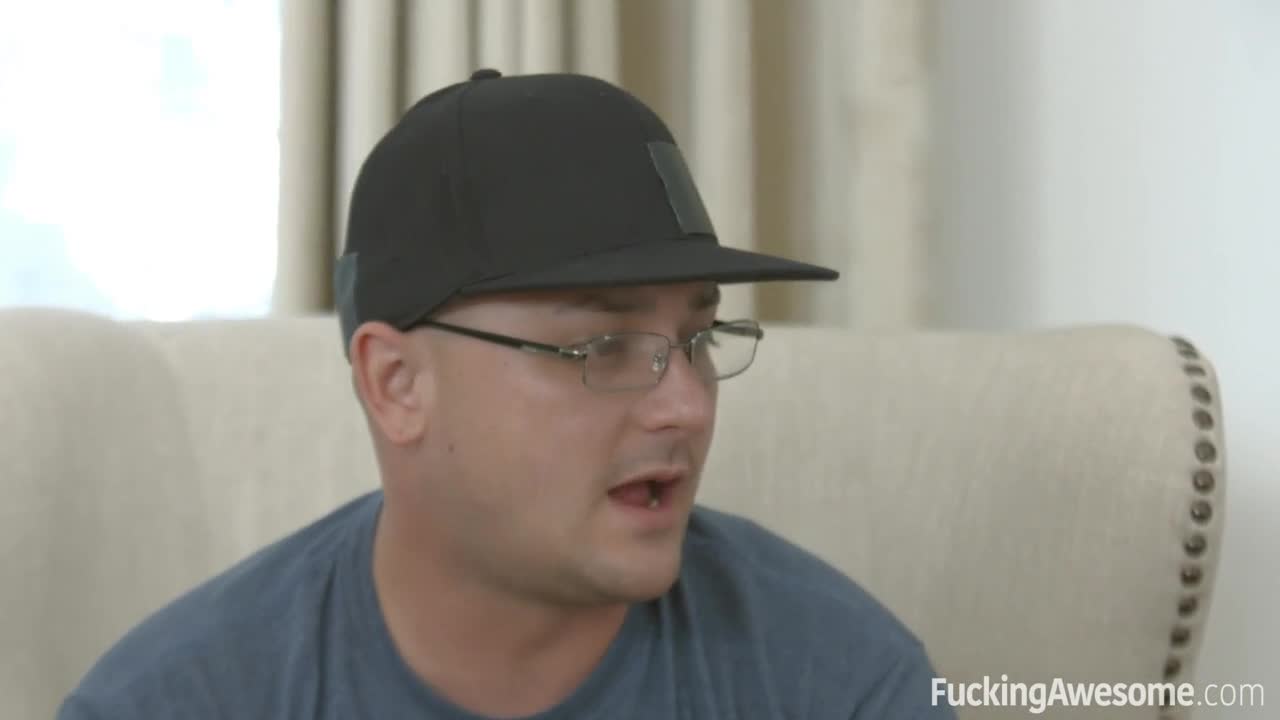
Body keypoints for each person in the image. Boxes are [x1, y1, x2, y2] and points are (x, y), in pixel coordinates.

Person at [58, 69, 954, 719]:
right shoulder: (178, 699)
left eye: (699, 339)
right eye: (605, 346)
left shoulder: (841, 683)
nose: (685, 405)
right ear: (396, 384)